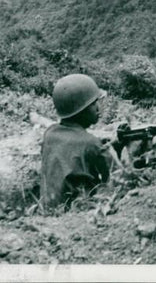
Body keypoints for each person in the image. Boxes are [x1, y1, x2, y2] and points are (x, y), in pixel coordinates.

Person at [40, 73, 112, 211]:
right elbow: (112, 173)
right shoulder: (91, 143)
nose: (98, 108)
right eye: (93, 104)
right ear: (81, 110)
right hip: (78, 211)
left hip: (49, 209)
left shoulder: (50, 134)